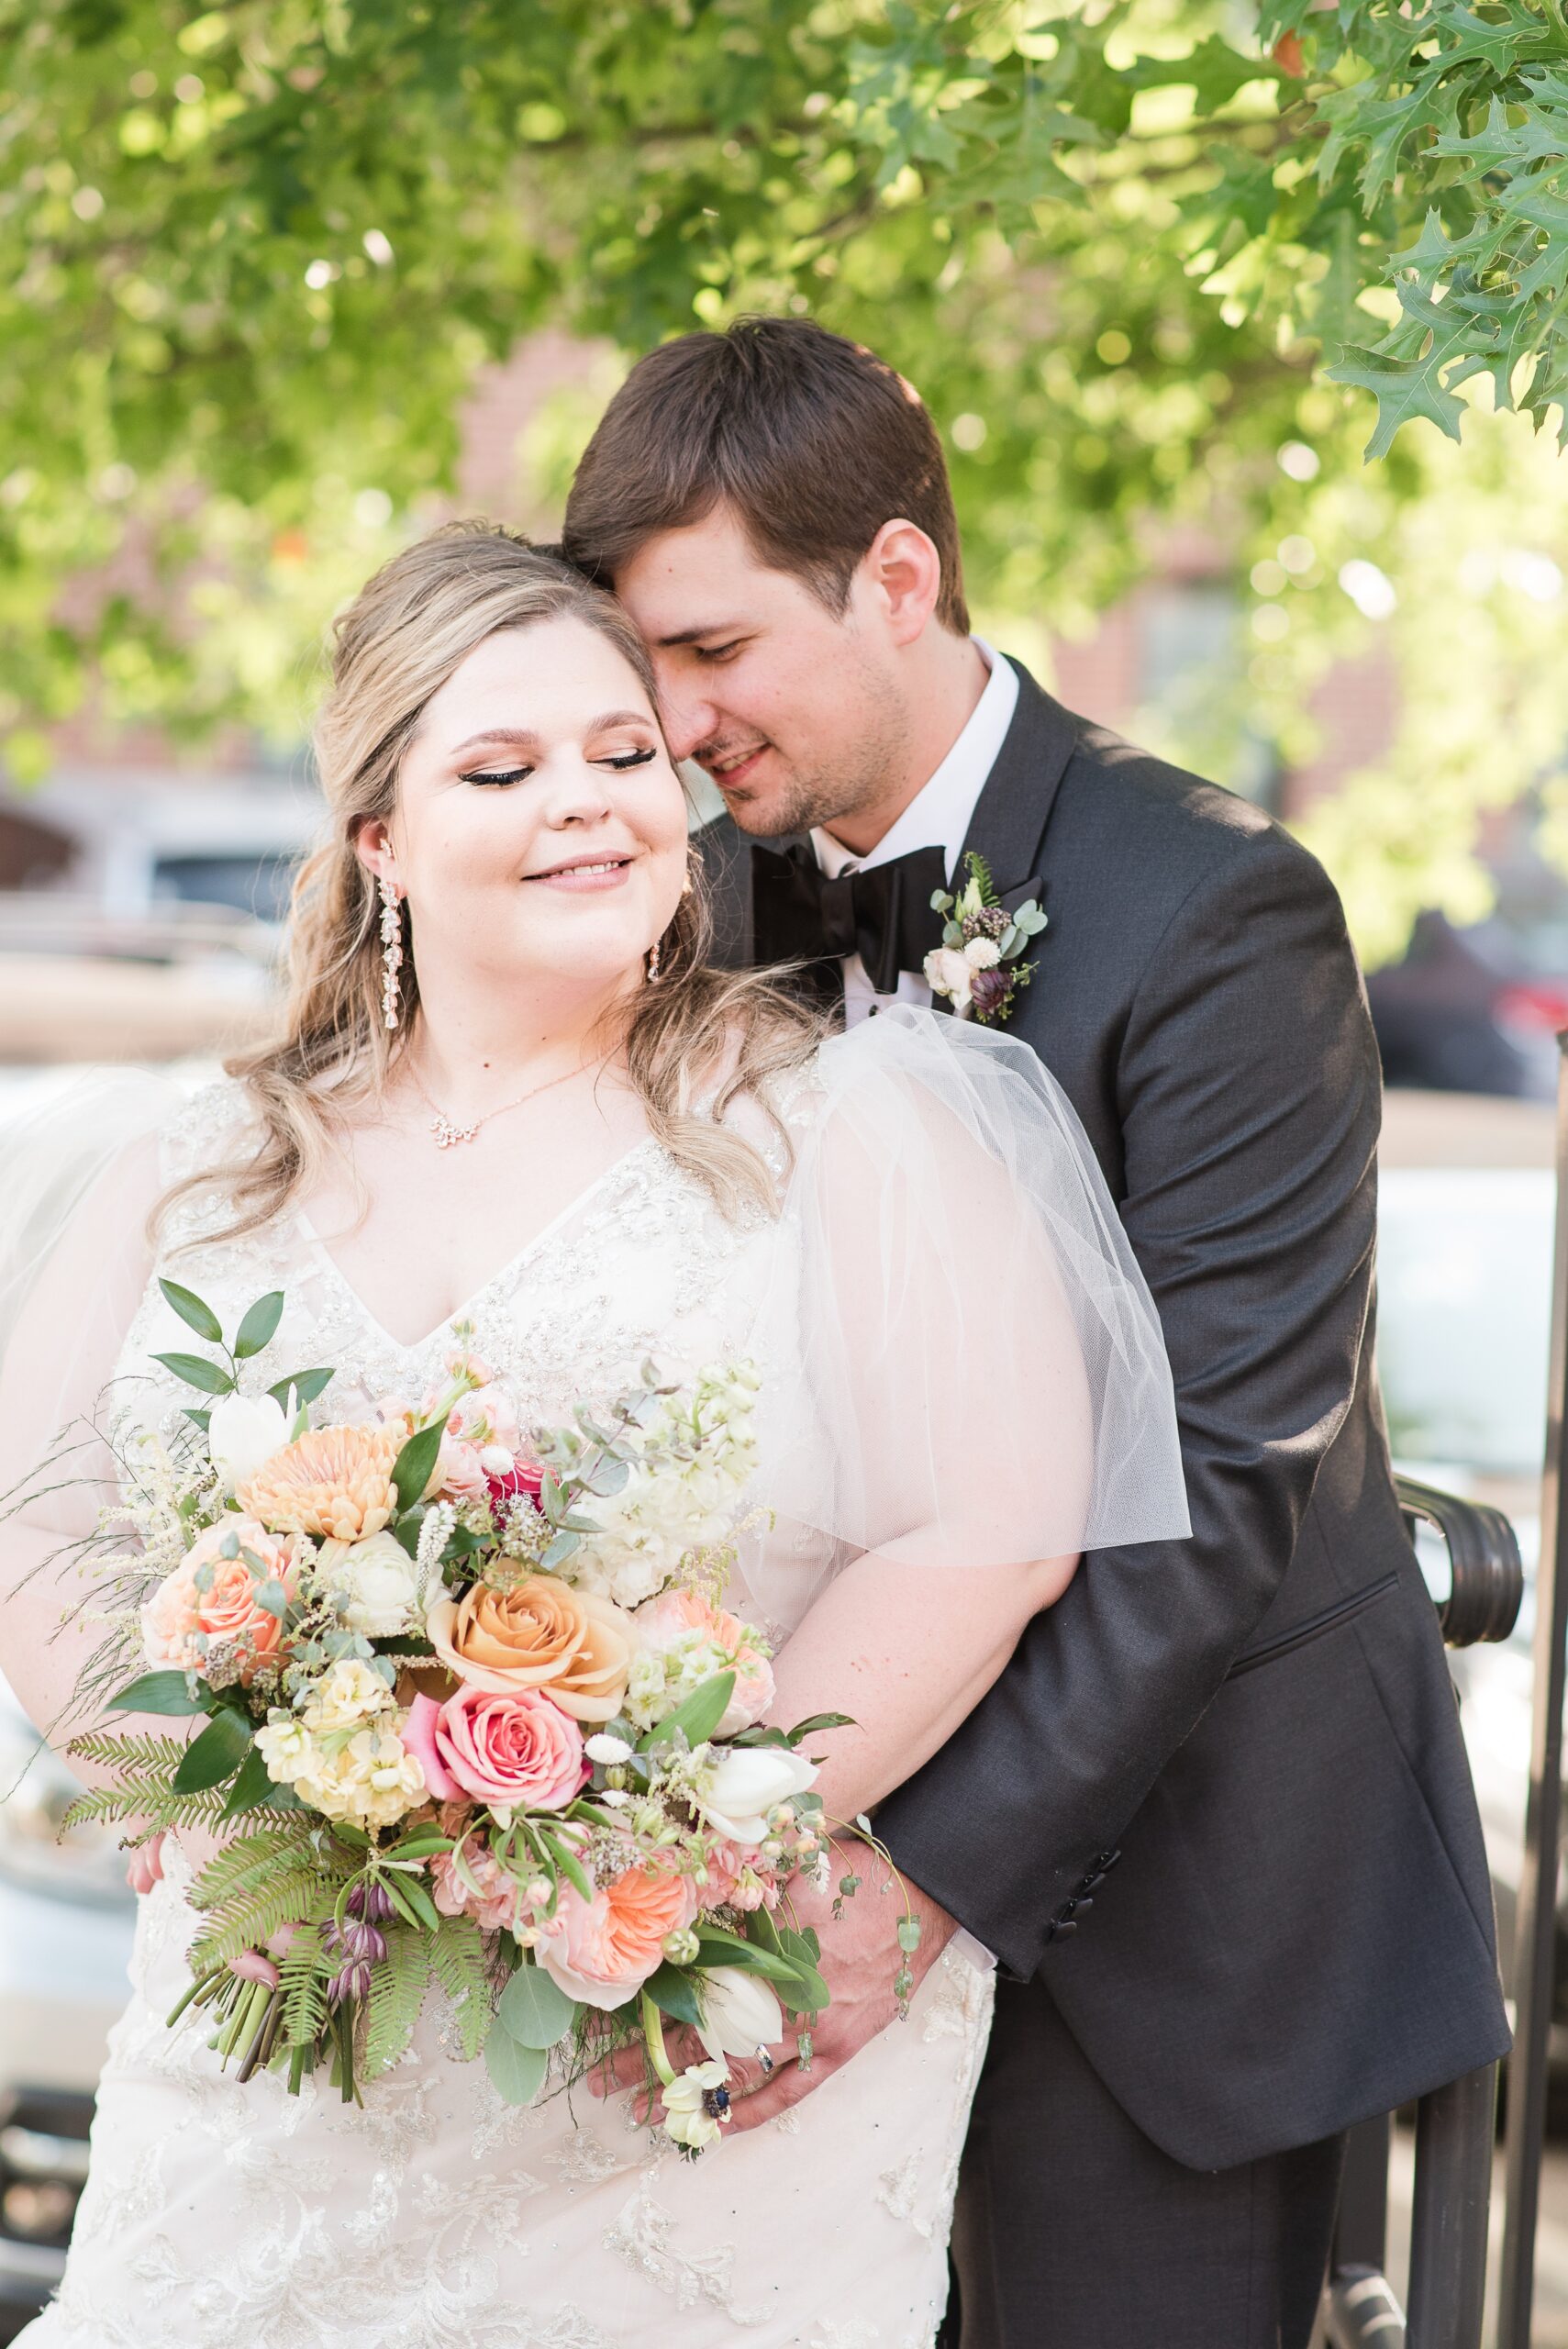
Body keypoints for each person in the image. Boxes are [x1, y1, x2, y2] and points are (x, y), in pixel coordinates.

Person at [0, 524, 1187, 2348]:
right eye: (505, 766)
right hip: (280, 2050)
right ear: (380, 836)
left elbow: (991, 1532)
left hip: (664, 2058)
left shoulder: (856, 1127)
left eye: (625, 753)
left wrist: (655, 1833)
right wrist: (216, 1799)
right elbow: (41, 1509)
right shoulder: (201, 1161)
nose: (593, 802)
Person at [561, 315, 1513, 2349]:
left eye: (716, 649)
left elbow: (1221, 1479)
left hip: (1171, 1891)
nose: (673, 716)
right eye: (645, 661)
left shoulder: (1221, 906)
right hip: (769, 1839)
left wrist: (900, 1886)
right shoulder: (687, 897)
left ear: (896, 579)